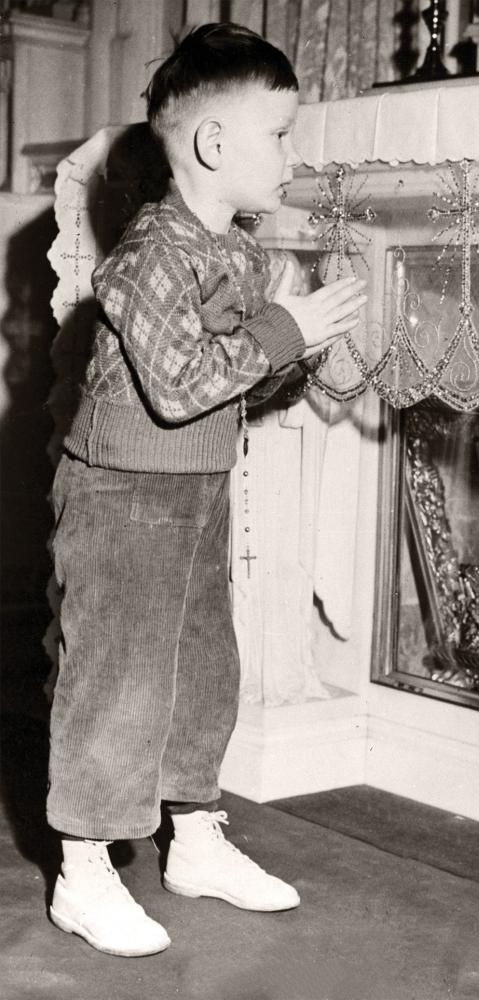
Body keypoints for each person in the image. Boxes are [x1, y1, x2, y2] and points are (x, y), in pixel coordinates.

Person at [46, 23, 367, 957]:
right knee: (120, 679)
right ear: (213, 144)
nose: (291, 154)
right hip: (118, 496)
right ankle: (83, 870)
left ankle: (193, 838)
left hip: (192, 490)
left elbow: (238, 379)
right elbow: (182, 382)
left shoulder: (239, 250)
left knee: (200, 671)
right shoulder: (149, 251)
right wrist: (284, 329)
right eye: (279, 134)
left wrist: (304, 345)